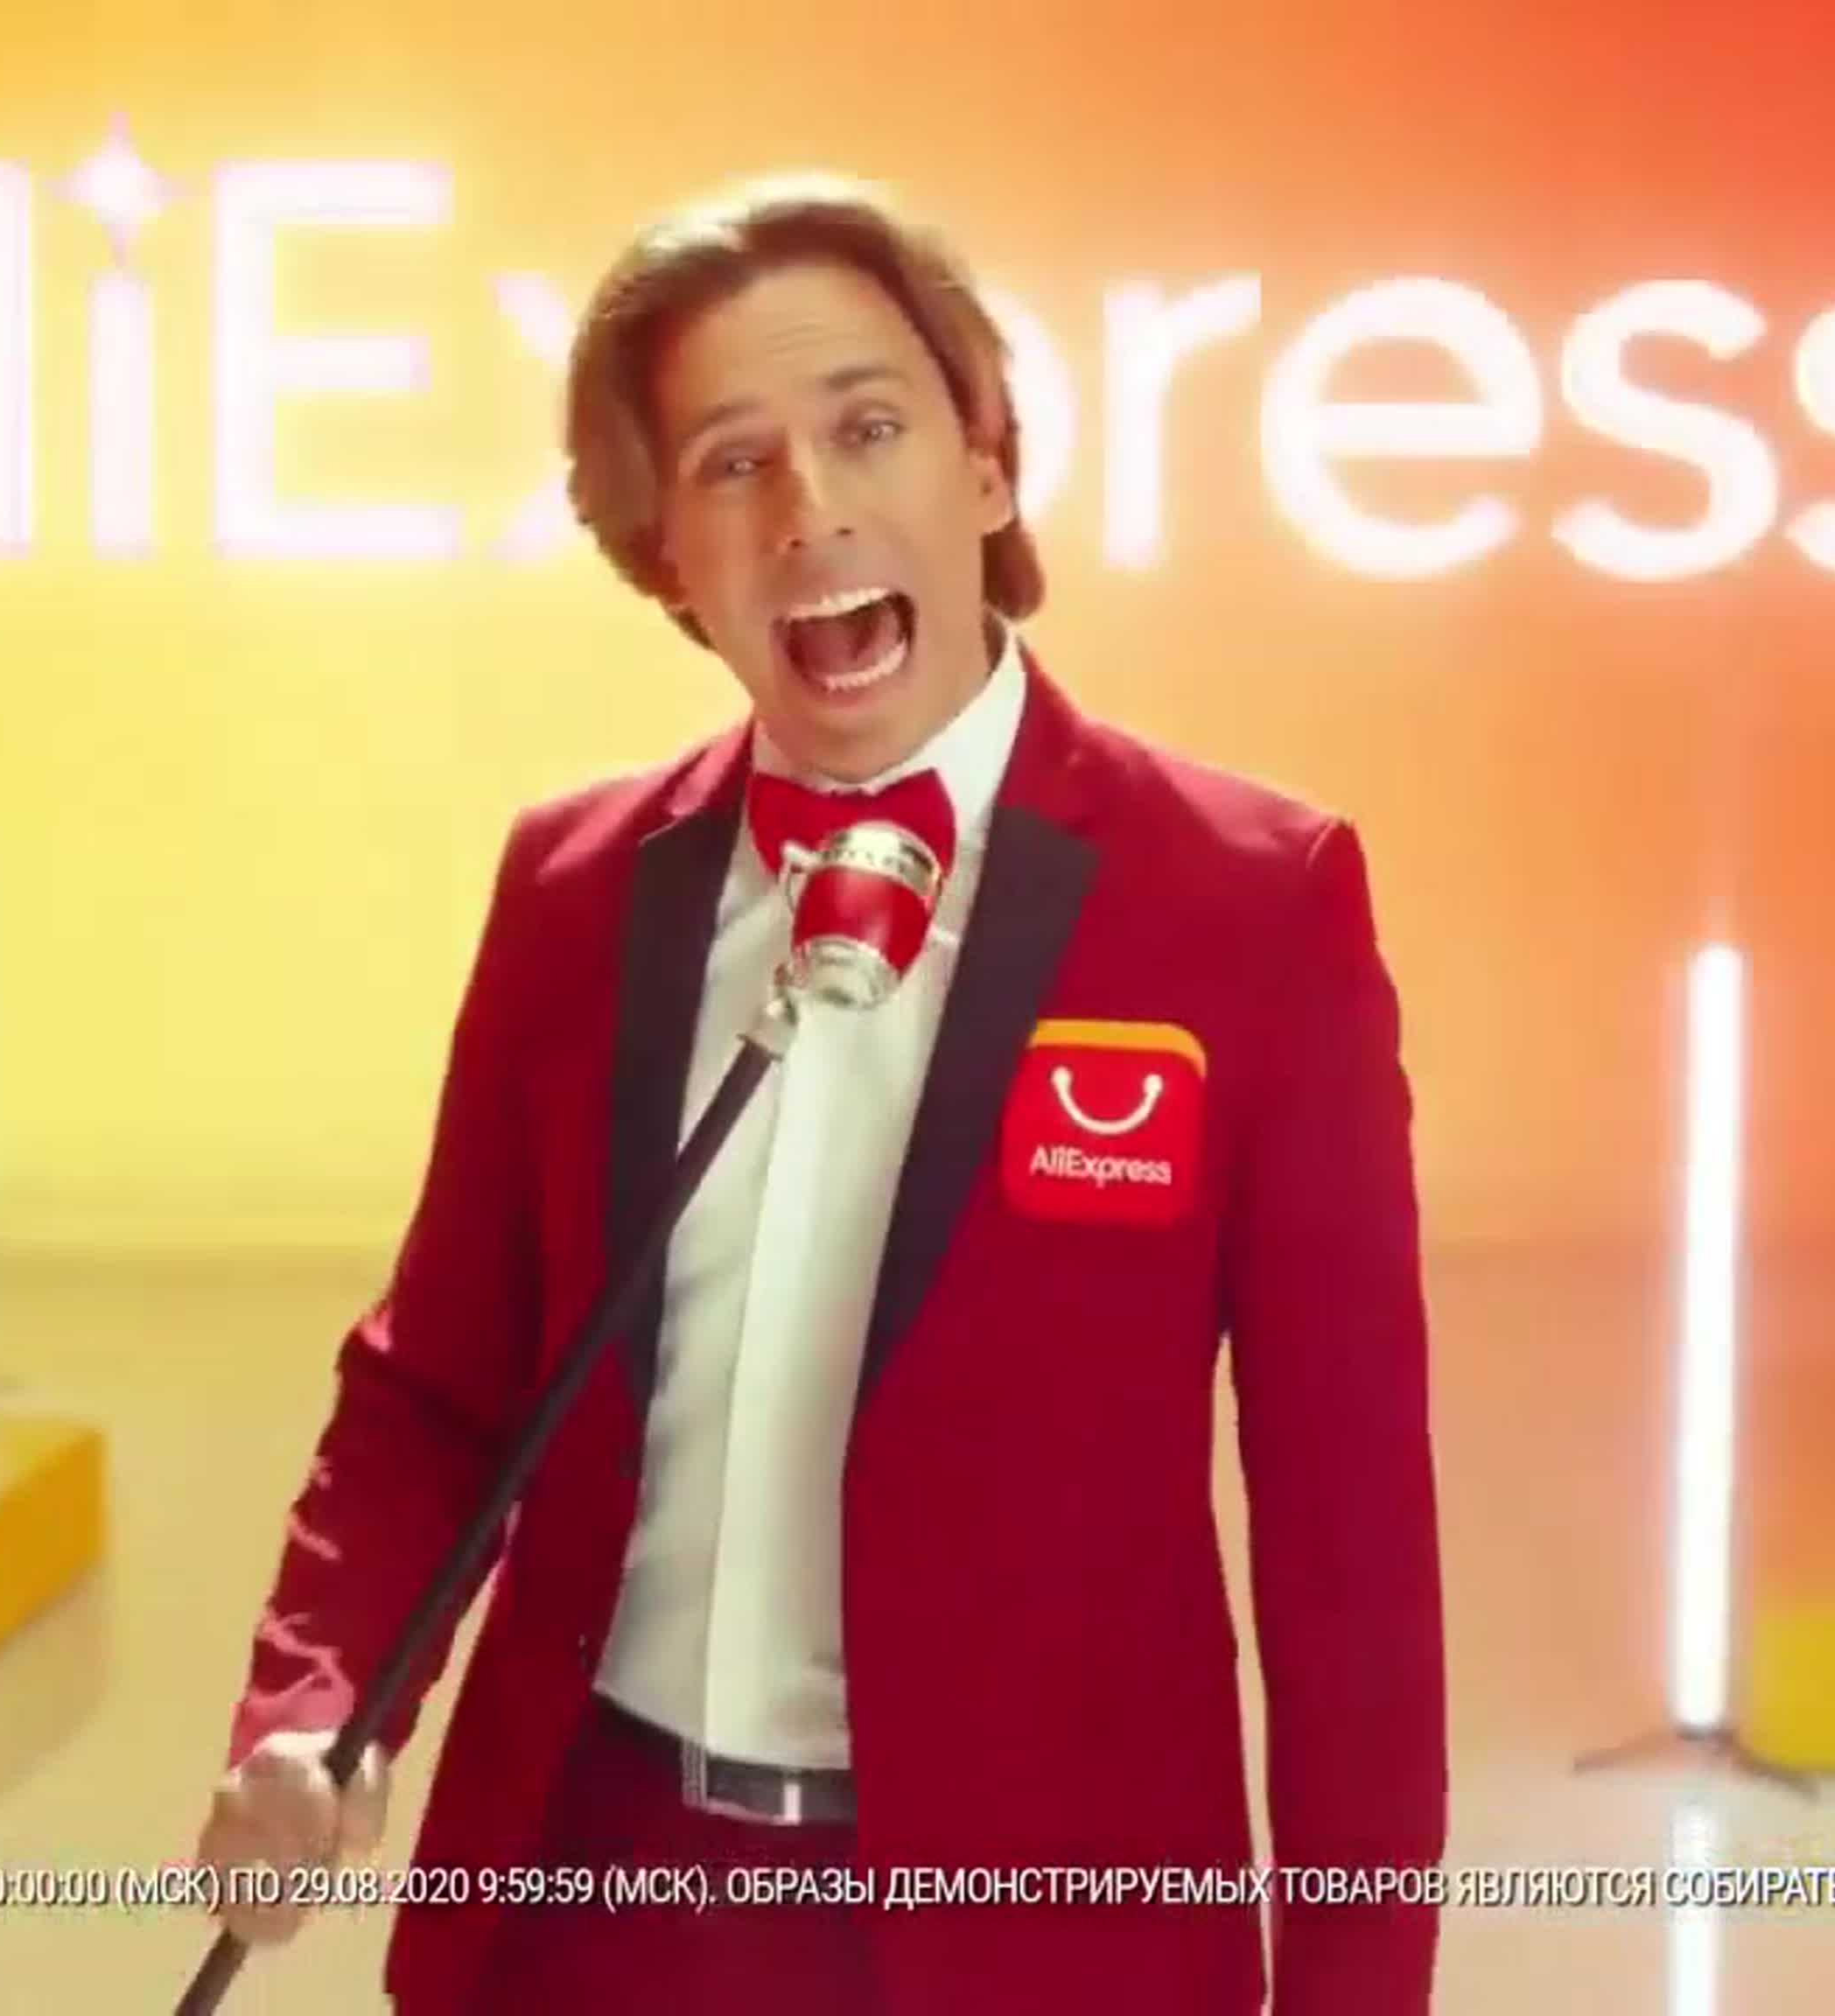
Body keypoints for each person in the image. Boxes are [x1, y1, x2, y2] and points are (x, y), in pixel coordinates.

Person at [191, 175, 1446, 2014]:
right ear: (663, 562)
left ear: (987, 466)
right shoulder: (575, 890)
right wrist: (312, 1706)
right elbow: (437, 1390)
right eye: (731, 465)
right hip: (586, 1912)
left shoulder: (1249, 903)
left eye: (867, 428)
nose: (808, 510)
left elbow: (1350, 1555)